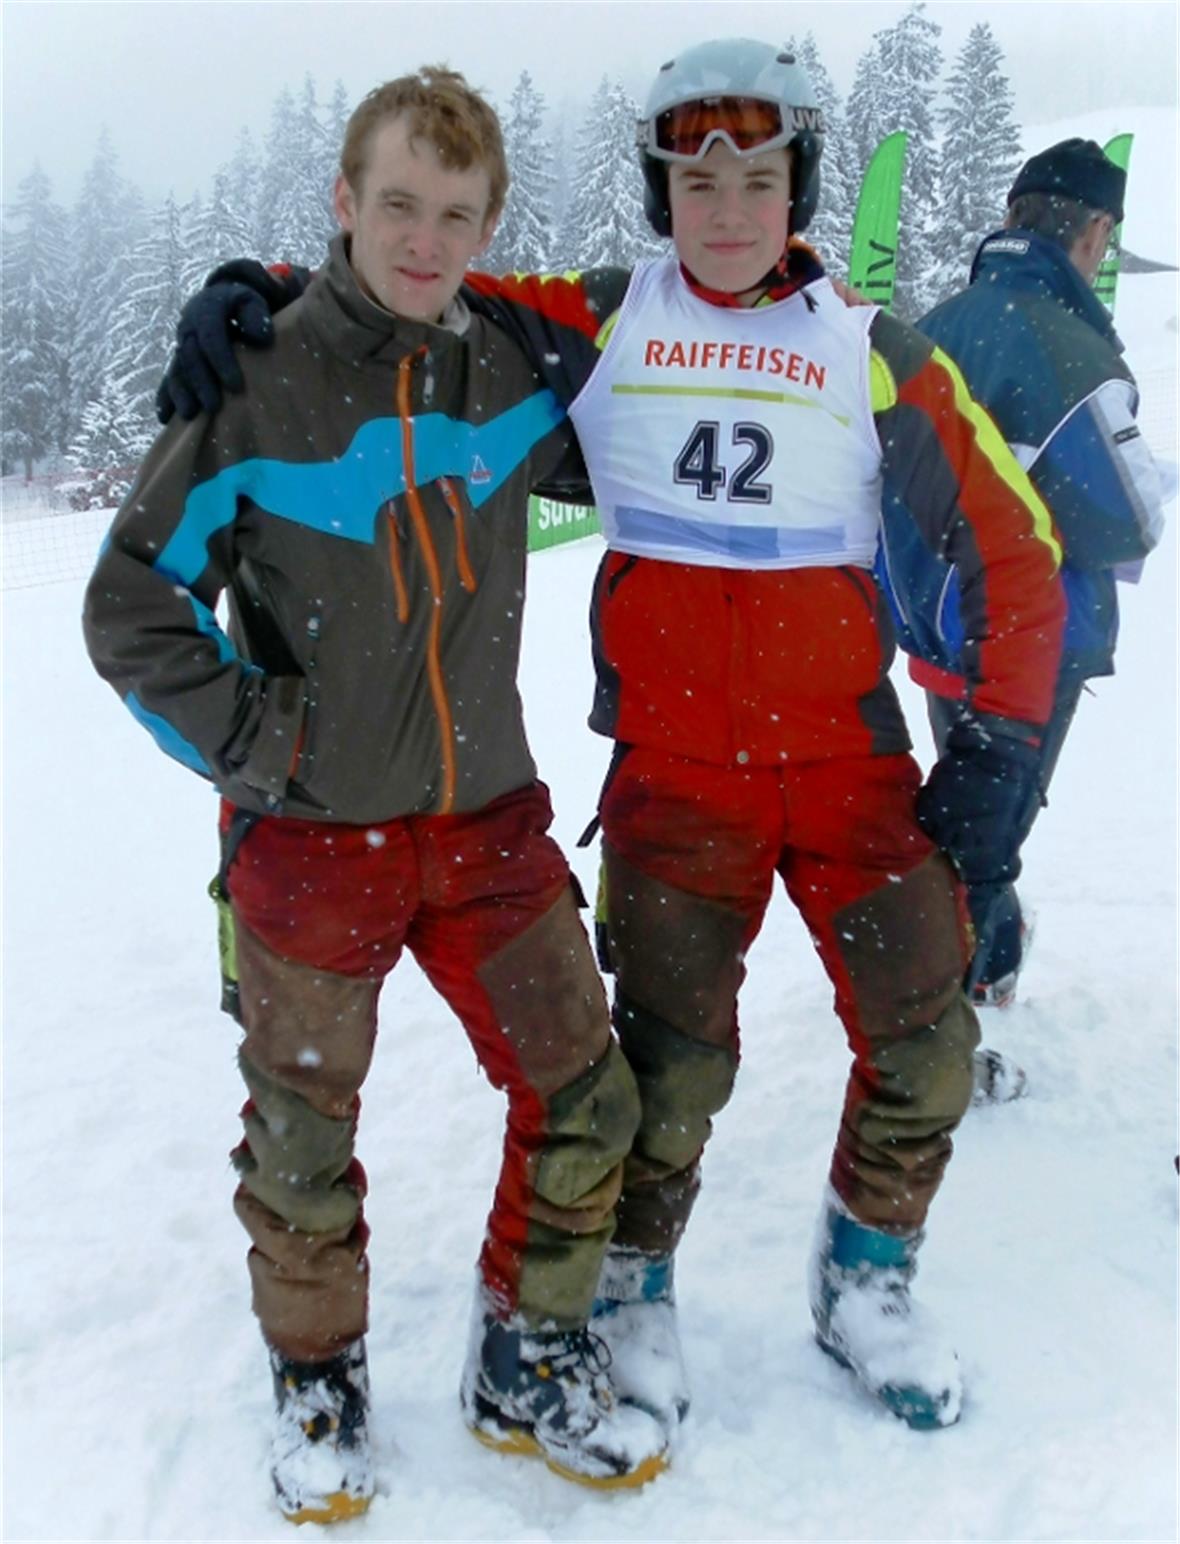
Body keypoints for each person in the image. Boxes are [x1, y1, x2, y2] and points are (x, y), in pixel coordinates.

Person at [157, 40, 1067, 1436]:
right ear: (661, 196)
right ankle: (634, 1282)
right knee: (667, 1068)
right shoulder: (591, 321)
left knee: (926, 1042)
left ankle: (868, 1279)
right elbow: (409, 283)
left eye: (758, 183)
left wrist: (998, 747)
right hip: (677, 773)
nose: (727, 212)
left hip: (849, 766)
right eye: (697, 185)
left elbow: (1014, 542)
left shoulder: (871, 350)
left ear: (795, 191)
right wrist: (261, 295)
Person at [83, 68, 672, 1524]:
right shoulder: (255, 381)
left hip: (488, 824)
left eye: (455, 215)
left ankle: (527, 1351)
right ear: (344, 204)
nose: (423, 239)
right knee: (301, 1138)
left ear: (486, 229)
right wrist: (263, 745)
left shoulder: (510, 376)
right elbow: (129, 605)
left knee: (585, 1095)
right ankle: (318, 1380)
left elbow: (666, 332)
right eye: (396, 204)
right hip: (306, 840)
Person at [877, 137, 1164, 1097]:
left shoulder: (933, 322)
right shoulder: (1070, 347)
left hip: (935, 630)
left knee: (970, 814)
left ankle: (983, 960)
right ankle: (932, 1052)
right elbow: (1125, 514)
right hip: (1027, 649)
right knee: (983, 837)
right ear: (1091, 234)